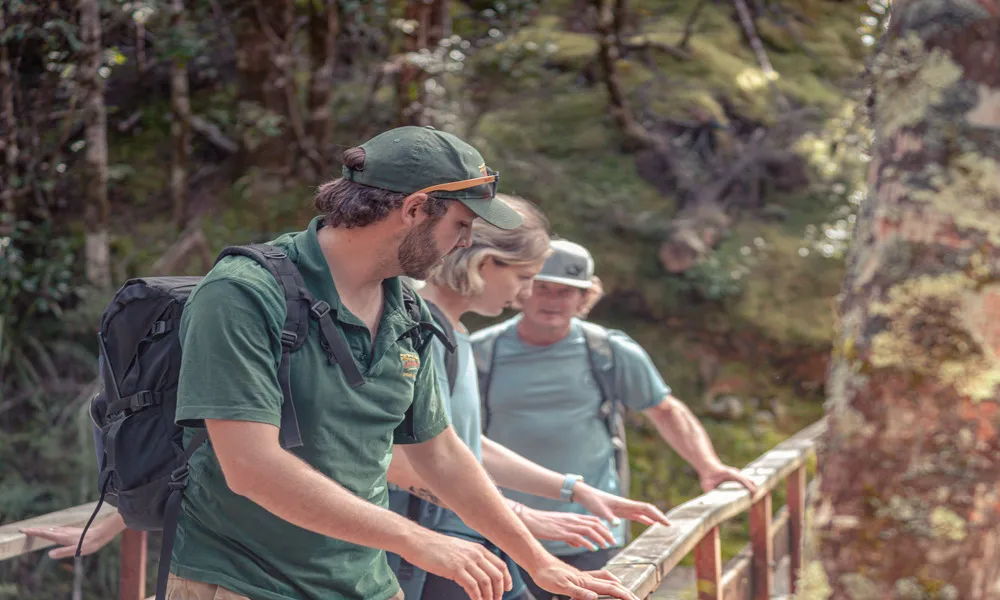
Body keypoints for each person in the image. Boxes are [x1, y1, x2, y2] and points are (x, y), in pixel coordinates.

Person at [25, 128, 640, 600]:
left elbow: (442, 453)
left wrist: (537, 560)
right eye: (461, 224)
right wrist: (419, 539)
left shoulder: (406, 308)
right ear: (415, 209)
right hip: (242, 582)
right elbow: (251, 467)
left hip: (365, 581)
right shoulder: (243, 293)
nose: (465, 242)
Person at [385, 196, 671, 600]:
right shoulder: (421, 331)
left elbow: (460, 442)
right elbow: (404, 457)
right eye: (525, 278)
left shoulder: (455, 333)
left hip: (468, 539)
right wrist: (522, 518)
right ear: (486, 264)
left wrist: (572, 489)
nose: (524, 296)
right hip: (431, 547)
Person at [471, 239, 759, 600]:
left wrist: (709, 467)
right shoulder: (479, 352)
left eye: (566, 291)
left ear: (584, 297)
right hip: (506, 530)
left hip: (594, 531)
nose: (552, 300)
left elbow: (665, 410)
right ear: (523, 289)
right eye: (542, 287)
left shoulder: (608, 350)